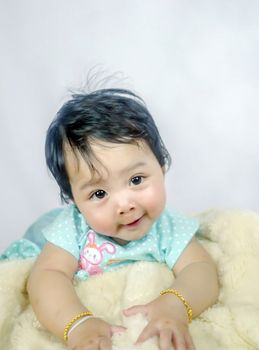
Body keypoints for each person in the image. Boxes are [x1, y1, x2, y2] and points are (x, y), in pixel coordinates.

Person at [1, 88, 219, 350]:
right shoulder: (73, 228)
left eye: (136, 180)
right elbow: (47, 276)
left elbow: (200, 269)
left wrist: (175, 304)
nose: (125, 205)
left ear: (161, 168)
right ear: (76, 202)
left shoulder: (168, 227)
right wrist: (79, 324)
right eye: (99, 193)